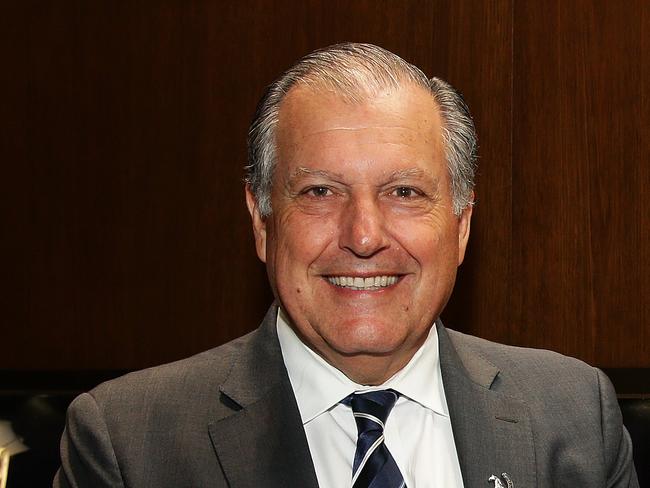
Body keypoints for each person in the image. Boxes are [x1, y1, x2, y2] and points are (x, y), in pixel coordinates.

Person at [54, 43, 638, 487]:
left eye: (404, 192)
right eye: (319, 192)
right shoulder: (128, 446)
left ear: (461, 226)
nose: (363, 236)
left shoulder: (575, 419)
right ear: (262, 222)